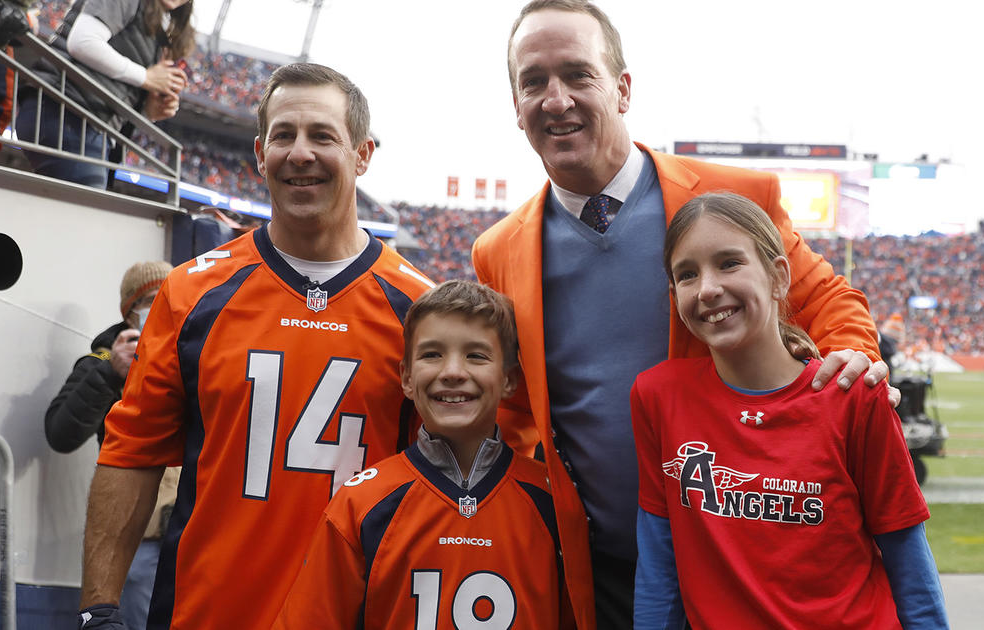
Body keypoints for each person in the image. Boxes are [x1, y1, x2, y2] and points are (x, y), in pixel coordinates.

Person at [472, 1, 889, 626]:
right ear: (515, 106)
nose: (555, 99)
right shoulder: (499, 251)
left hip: (744, 560)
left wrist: (854, 356)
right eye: (533, 81)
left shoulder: (732, 197)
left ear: (622, 88)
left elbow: (828, 299)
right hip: (606, 573)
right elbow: (514, 412)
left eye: (577, 74)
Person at [75, 62, 434, 630]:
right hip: (208, 613)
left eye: (322, 135)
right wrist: (98, 607)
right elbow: (132, 452)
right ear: (260, 154)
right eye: (283, 136)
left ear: (363, 155)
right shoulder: (193, 292)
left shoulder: (421, 311)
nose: (300, 153)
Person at [631, 192, 947, 629]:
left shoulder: (853, 396)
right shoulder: (658, 397)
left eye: (729, 263)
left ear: (779, 276)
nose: (707, 288)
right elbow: (658, 565)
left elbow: (909, 561)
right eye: (687, 274)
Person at [276, 280, 573, 629]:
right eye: (432, 354)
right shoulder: (363, 503)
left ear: (509, 379)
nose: (452, 372)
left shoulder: (551, 502)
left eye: (476, 355)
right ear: (405, 376)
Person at [45, 260, 179, 630]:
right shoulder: (104, 360)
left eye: (170, 294)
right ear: (130, 310)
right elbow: (60, 431)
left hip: (190, 529)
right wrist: (108, 374)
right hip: (141, 533)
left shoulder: (192, 348)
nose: (163, 304)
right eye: (152, 298)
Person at [14, 0, 192, 188]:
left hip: (82, 121)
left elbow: (118, 90)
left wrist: (148, 111)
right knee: (85, 211)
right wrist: (146, 77)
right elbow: (83, 41)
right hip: (66, 111)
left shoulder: (158, 26)